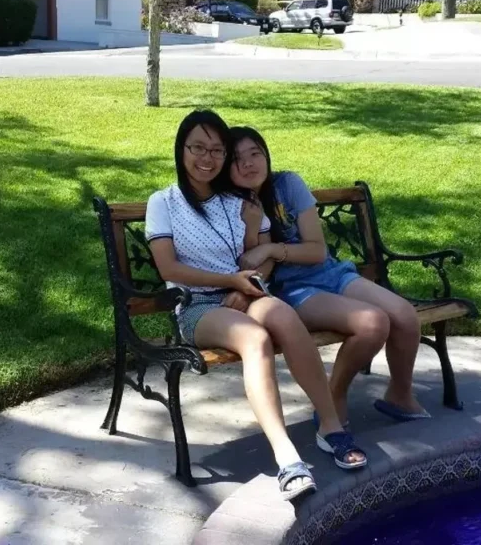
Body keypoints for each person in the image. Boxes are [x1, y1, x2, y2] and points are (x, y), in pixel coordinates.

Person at [144, 110, 367, 501]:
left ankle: (331, 426)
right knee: (255, 339)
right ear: (182, 150)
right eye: (198, 148)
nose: (207, 158)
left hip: (246, 292)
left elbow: (261, 258)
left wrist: (248, 275)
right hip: (196, 305)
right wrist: (231, 282)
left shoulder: (240, 200)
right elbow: (169, 268)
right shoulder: (164, 202)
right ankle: (287, 456)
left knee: (284, 316)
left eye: (217, 150)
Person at [228, 126, 431, 430]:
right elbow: (248, 263)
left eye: (255, 153)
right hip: (289, 291)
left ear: (266, 155)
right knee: (372, 324)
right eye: (236, 158)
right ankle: (333, 394)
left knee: (404, 314)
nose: (248, 163)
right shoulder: (227, 204)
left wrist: (271, 248)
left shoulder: (288, 184)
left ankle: (399, 395)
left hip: (329, 273)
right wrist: (254, 229)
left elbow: (316, 251)